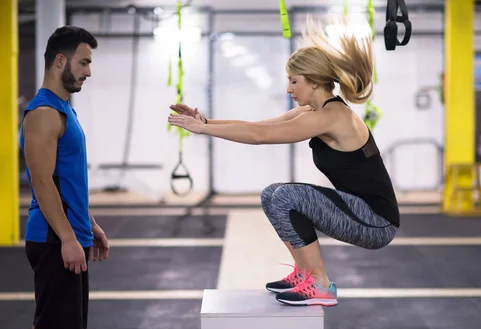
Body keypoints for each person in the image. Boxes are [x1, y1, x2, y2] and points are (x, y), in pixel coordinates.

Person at [168, 18, 399, 307]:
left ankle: (320, 285)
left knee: (287, 196)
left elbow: (259, 136)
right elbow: (260, 125)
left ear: (314, 81)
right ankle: (305, 275)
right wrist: (206, 121)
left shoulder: (332, 116)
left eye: (294, 81)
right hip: (357, 211)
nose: (289, 89)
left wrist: (203, 130)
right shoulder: (314, 111)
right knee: (272, 194)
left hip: (375, 222)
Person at [18, 26, 110, 329]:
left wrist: (90, 225)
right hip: (54, 239)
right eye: (84, 61)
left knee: (52, 328)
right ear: (60, 61)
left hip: (68, 233)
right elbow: (42, 184)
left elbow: (65, 180)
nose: (88, 71)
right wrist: (69, 239)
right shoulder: (42, 113)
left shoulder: (63, 110)